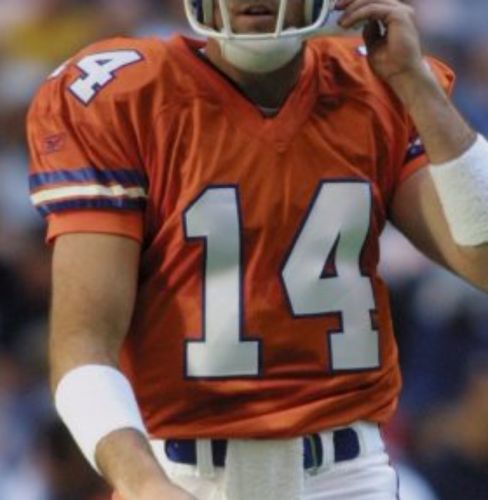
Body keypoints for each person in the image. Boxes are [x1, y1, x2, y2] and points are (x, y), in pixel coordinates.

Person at [26, 0, 488, 499]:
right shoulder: (126, 97)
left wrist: (417, 86)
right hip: (186, 476)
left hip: (349, 479)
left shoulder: (376, 82)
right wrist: (143, 482)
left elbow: (481, 259)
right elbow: (83, 345)